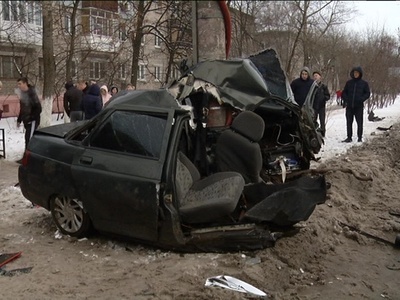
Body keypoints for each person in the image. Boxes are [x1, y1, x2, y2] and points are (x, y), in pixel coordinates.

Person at [341, 66, 371, 143]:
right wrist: (346, 99)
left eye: (357, 73)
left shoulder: (364, 83)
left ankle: (359, 137)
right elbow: (344, 93)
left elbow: (367, 93)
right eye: (354, 73)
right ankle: (349, 137)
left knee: (359, 122)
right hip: (350, 106)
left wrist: (361, 99)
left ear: (360, 74)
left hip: (359, 106)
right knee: (349, 122)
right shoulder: (349, 83)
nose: (355, 74)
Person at [16, 77, 42, 150]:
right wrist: (19, 119)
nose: (18, 86)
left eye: (20, 84)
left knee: (29, 139)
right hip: (26, 120)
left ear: (25, 83)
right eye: (18, 84)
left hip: (32, 121)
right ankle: (28, 156)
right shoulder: (23, 94)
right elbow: (23, 108)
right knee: (28, 138)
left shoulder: (32, 93)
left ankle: (28, 157)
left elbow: (39, 108)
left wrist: (31, 118)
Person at [312, 71, 330, 137]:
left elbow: (328, 96)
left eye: (316, 75)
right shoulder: (312, 86)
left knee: (322, 121)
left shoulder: (324, 86)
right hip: (314, 106)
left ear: (320, 77)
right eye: (314, 76)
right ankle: (314, 134)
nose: (315, 77)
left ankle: (323, 134)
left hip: (322, 106)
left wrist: (323, 98)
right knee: (313, 120)